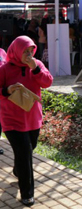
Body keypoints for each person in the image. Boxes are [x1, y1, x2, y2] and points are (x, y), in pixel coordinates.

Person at [0, 36, 53, 206]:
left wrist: (35, 69)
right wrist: (7, 90)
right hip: (12, 121)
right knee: (25, 155)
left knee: (29, 150)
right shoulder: (5, 69)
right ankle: (27, 193)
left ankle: (18, 170)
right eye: (25, 52)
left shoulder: (37, 65)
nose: (29, 55)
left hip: (32, 119)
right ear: (16, 51)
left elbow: (47, 82)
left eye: (31, 51)